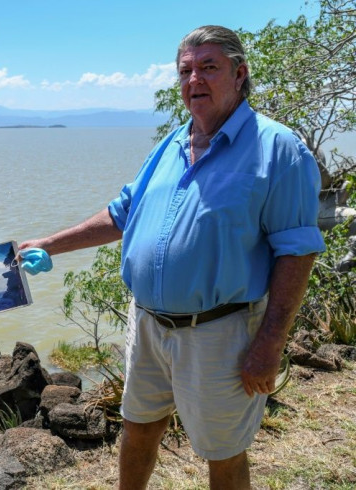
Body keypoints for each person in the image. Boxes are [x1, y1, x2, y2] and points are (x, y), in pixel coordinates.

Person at [19, 25, 325, 489]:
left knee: (221, 452)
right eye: (185, 71)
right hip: (146, 325)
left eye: (208, 68)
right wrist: (49, 245)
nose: (194, 80)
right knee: (138, 426)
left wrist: (270, 344)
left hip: (220, 332)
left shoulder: (278, 149)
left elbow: (297, 253)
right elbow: (122, 214)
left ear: (240, 74)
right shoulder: (170, 144)